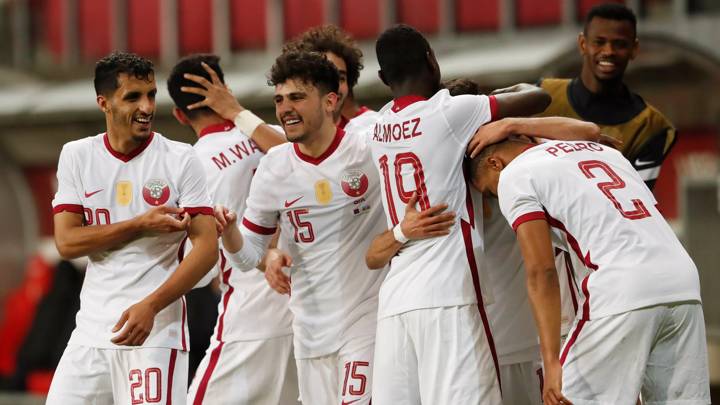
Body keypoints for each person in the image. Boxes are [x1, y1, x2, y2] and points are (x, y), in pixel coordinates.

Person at [364, 24, 550, 405]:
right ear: (432, 59)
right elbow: (538, 96)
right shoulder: (451, 112)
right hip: (448, 294)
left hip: (396, 299)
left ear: (383, 78)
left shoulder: (377, 125)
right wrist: (501, 112)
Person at [469, 134, 710, 405]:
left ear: (495, 163)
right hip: (683, 278)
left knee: (564, 397)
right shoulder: (602, 150)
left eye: (490, 191)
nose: (495, 198)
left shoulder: (515, 175)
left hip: (621, 284)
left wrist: (551, 364)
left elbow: (542, 272)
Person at [47, 51, 218, 404]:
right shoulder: (77, 156)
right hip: (91, 333)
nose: (146, 106)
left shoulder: (182, 158)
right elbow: (67, 242)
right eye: (132, 97)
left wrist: (152, 306)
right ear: (104, 103)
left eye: (151, 95)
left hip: (155, 332)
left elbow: (206, 249)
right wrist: (140, 224)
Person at [445, 79, 605, 405]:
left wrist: (508, 121)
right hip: (468, 346)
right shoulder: (444, 173)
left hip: (524, 342)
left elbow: (586, 129)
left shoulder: (517, 156)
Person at [167, 54, 299, 405]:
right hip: (306, 303)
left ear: (180, 115)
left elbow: (202, 265)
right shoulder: (272, 135)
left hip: (252, 309)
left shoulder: (190, 166)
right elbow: (304, 161)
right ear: (225, 92)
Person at [537, 3, 675, 190]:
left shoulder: (650, 127)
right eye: (599, 42)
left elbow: (638, 199)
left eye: (619, 44)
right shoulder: (542, 96)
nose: (608, 51)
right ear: (583, 44)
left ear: (634, 49)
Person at [283, 24, 376, 132]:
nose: (334, 86)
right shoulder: (287, 136)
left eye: (341, 78)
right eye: (323, 77)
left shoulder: (374, 129)